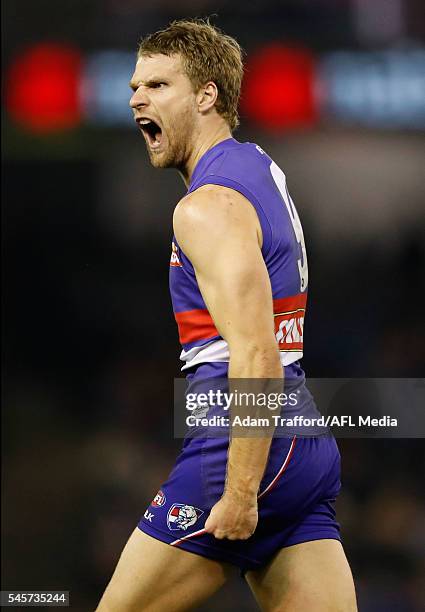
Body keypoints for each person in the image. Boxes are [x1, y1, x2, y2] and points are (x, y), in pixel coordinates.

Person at [96, 18, 357, 612]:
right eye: (135, 86)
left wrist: (240, 490)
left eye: (159, 85)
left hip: (241, 443)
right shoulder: (257, 167)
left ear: (208, 95)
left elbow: (256, 353)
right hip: (301, 441)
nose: (137, 98)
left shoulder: (205, 208)